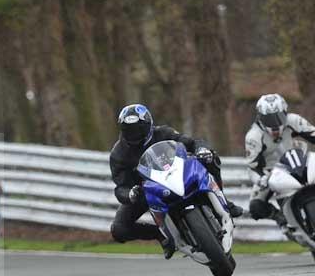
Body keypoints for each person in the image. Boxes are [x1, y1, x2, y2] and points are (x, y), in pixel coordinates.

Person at [109, 103, 243, 259]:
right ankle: (161, 236)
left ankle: (224, 202)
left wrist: (201, 149)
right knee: (119, 229)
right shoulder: (118, 154)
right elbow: (120, 187)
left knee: (209, 157)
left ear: (149, 124)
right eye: (129, 131)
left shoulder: (163, 132)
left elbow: (191, 142)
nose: (135, 135)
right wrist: (130, 194)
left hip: (177, 175)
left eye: (138, 129)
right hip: (148, 191)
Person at [245, 93, 315, 224]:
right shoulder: (253, 136)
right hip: (271, 174)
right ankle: (280, 218)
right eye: (269, 119)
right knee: (255, 207)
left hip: (299, 162)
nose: (275, 124)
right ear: (260, 118)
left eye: (279, 117)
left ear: (285, 112)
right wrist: (262, 180)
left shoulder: (294, 120)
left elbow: (313, 134)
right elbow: (252, 167)